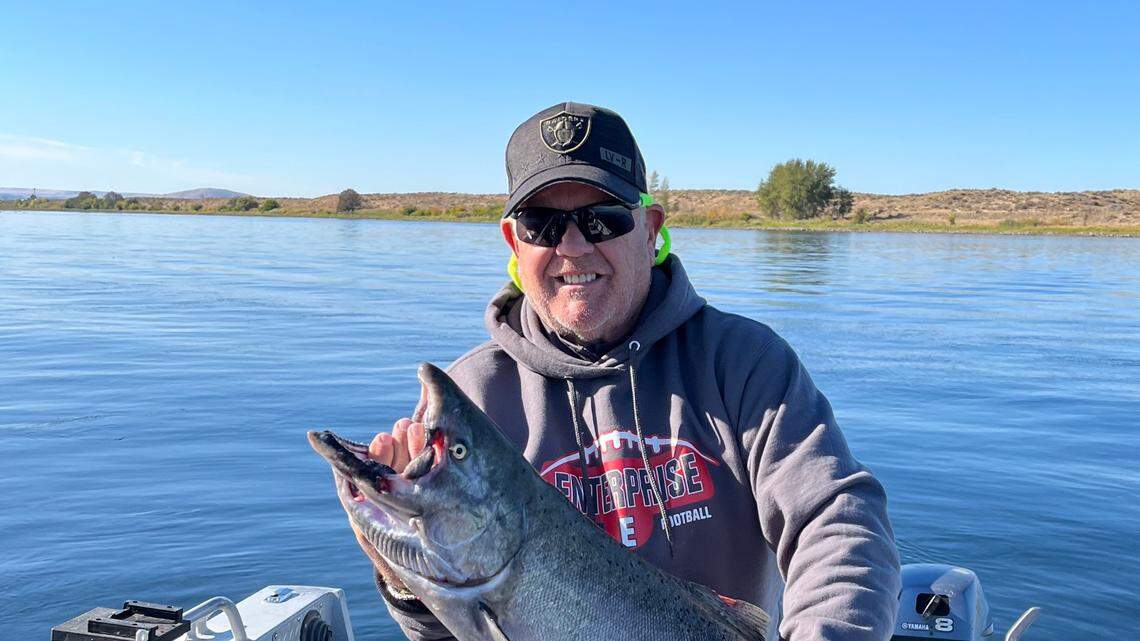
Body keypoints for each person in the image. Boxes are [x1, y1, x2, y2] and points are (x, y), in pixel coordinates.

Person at [349, 102, 901, 641]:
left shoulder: (744, 363)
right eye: (542, 224)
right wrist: (405, 569)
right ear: (513, 241)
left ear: (649, 228)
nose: (572, 245)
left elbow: (837, 521)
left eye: (602, 218)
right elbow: (455, 623)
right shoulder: (476, 399)